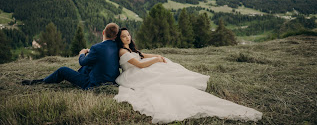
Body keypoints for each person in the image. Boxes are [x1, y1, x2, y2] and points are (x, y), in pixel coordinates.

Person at [114, 27, 263, 123]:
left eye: (128, 35)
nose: (127, 38)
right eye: (124, 37)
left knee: (164, 64)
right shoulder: (122, 51)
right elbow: (139, 64)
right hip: (134, 74)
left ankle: (186, 79)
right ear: (119, 39)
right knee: (159, 70)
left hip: (140, 69)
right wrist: (155, 61)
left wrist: (157, 56)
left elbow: (142, 55)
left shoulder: (130, 48)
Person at [22, 23, 120, 90]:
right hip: (111, 81)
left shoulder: (96, 47)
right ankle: (77, 76)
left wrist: (82, 53)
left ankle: (42, 82)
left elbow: (82, 62)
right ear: (115, 36)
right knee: (89, 65)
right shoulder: (118, 47)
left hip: (94, 85)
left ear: (103, 32)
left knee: (63, 70)